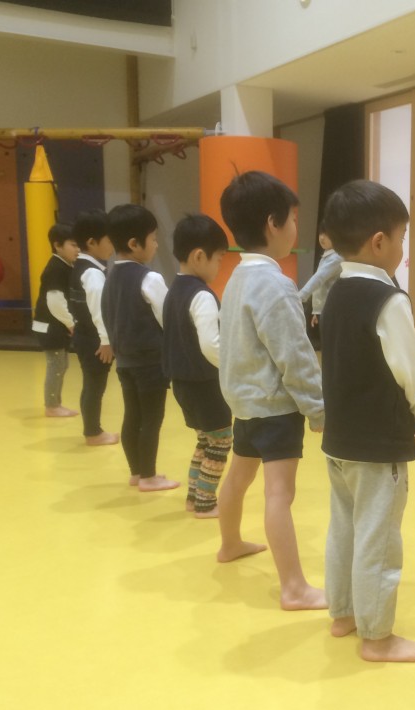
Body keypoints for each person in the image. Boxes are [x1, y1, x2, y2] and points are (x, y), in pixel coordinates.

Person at [320, 179, 415, 663]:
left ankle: (344, 614)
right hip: (377, 445)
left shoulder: (334, 292)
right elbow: (412, 371)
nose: (402, 248)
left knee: (344, 529)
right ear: (378, 242)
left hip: (339, 441)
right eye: (402, 237)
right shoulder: (388, 299)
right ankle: (377, 636)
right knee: (379, 538)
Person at [216, 171, 326, 611]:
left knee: (238, 477)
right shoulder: (276, 285)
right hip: (275, 408)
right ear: (272, 224)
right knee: (280, 493)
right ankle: (294, 587)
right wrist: (318, 409)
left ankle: (229, 543)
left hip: (244, 404)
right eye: (293, 219)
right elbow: (295, 356)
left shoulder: (235, 279)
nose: (296, 227)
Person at [100, 204, 179, 492]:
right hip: (150, 363)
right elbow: (168, 317)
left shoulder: (110, 278)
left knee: (132, 416)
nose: (156, 245)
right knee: (151, 419)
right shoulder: (149, 278)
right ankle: (149, 476)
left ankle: (137, 472)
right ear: (135, 244)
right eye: (153, 239)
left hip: (126, 362)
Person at [162, 214, 233, 519]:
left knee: (205, 440)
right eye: (219, 259)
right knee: (221, 441)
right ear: (199, 256)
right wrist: (232, 367)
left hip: (182, 382)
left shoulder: (173, 291)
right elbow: (212, 345)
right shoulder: (202, 295)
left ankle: (194, 497)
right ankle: (205, 502)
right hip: (205, 384)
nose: (219, 267)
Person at [70, 210, 119, 446]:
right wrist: (106, 341)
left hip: (85, 335)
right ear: (91, 242)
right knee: (95, 385)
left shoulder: (80, 266)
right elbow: (100, 309)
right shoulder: (92, 273)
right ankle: (93, 432)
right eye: (109, 240)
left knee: (91, 384)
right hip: (95, 340)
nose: (113, 246)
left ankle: (92, 430)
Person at [32, 222, 79, 418]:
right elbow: (55, 301)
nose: (77, 249)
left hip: (53, 325)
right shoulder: (56, 269)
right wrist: (71, 323)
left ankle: (55, 403)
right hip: (49, 326)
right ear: (58, 245)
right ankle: (52, 406)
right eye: (73, 245)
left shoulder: (64, 266)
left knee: (61, 363)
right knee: (56, 364)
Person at [298, 226, 343, 327]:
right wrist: (316, 311)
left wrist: (301, 296)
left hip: (330, 309)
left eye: (327, 234)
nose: (322, 237)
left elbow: (319, 278)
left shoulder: (336, 258)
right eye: (321, 233)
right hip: (324, 309)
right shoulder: (329, 256)